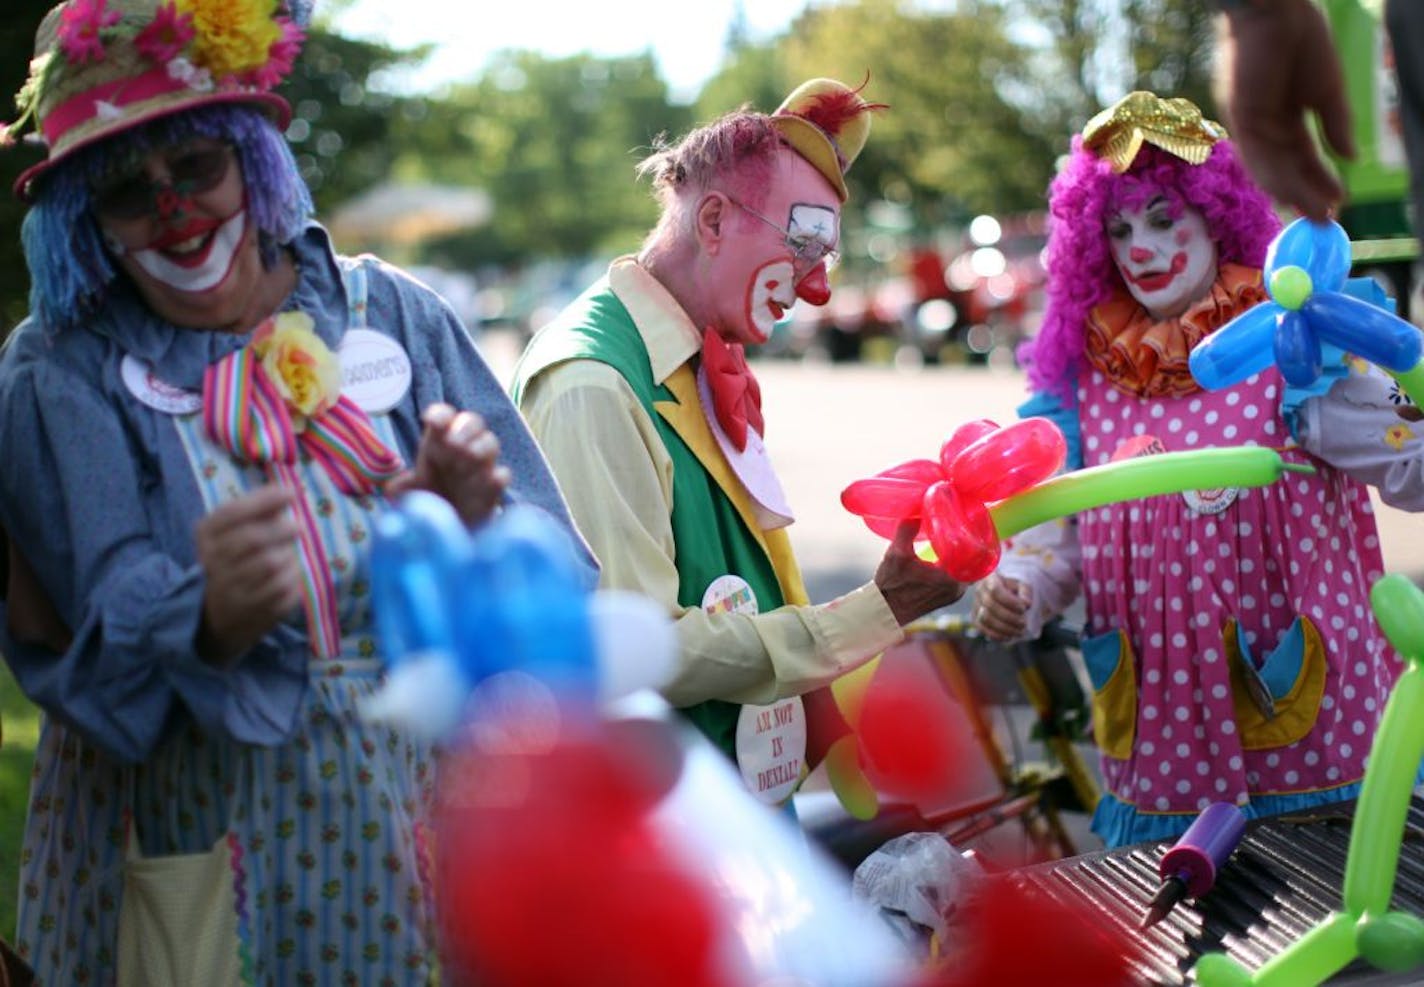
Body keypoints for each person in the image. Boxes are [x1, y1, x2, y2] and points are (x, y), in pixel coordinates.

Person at [0, 0, 593, 982]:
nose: (173, 209)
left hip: (433, 829)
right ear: (84, 224)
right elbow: (77, 651)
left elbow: (563, 586)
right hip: (206, 846)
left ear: (246, 157)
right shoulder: (60, 369)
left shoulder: (394, 312)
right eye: (124, 189)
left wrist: (477, 536)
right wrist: (208, 621)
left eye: (193, 164)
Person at [972, 91, 1423, 848]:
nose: (1137, 248)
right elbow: (1057, 539)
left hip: (1311, 752)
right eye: (1117, 228)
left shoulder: (1288, 343)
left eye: (1160, 218)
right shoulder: (1084, 383)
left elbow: (1408, 461)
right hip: (1161, 760)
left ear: (1216, 217)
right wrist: (1020, 588)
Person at [510, 79, 965, 807]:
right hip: (659, 825)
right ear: (714, 219)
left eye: (827, 257)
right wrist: (875, 608)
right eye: (805, 244)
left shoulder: (698, 359)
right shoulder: (592, 383)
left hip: (727, 801)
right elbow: (641, 647)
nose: (817, 287)